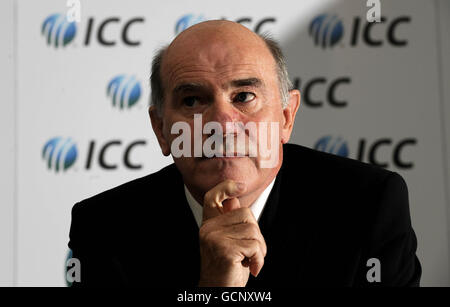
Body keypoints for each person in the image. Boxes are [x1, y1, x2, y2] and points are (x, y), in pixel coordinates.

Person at [68, 20, 421, 287]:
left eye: (244, 97)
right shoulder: (104, 227)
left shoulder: (368, 204)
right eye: (192, 101)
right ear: (161, 129)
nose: (222, 123)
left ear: (286, 117)